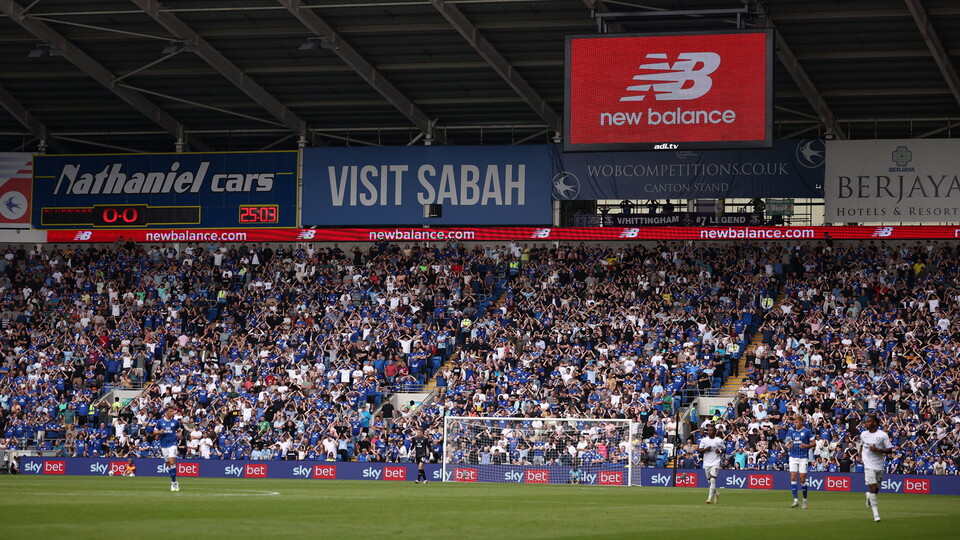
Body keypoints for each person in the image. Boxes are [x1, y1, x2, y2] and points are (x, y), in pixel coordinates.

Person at [860, 414, 894, 522]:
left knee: (875, 490)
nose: (866, 423)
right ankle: (876, 514)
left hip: (879, 465)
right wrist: (860, 456)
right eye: (866, 422)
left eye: (869, 421)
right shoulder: (863, 434)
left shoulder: (883, 435)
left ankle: (869, 496)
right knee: (873, 488)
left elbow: (889, 450)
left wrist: (878, 450)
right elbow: (861, 445)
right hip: (868, 465)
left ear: (874, 423)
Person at [785, 415, 815, 509]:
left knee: (802, 479)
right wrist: (789, 446)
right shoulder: (792, 431)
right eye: (794, 422)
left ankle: (805, 500)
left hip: (803, 457)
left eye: (796, 422)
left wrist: (806, 446)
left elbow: (814, 443)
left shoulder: (807, 431)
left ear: (801, 422)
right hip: (793, 457)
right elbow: (788, 442)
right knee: (793, 477)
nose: (795, 424)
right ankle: (795, 500)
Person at [156, 405, 182, 491]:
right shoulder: (160, 422)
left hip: (173, 444)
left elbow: (180, 433)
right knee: (169, 465)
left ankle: (173, 483)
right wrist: (160, 432)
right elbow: (154, 431)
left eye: (173, 411)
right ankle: (174, 481)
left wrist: (180, 435)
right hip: (164, 445)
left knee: (171, 462)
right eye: (171, 411)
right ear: (166, 412)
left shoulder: (175, 422)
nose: (172, 412)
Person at [698, 423, 724, 504]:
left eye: (712, 430)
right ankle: (716, 493)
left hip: (716, 462)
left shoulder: (719, 440)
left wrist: (719, 451)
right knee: (709, 482)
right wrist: (705, 449)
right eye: (709, 430)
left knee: (712, 480)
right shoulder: (704, 440)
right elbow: (699, 450)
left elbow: (724, 449)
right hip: (707, 462)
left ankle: (709, 498)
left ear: (715, 431)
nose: (710, 432)